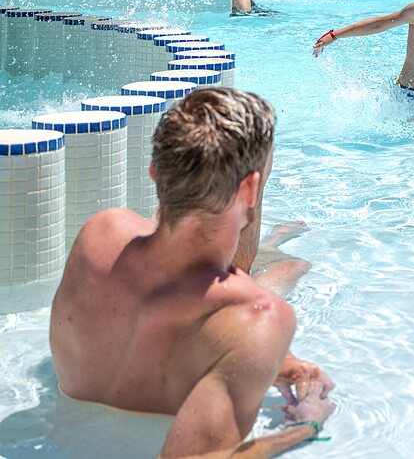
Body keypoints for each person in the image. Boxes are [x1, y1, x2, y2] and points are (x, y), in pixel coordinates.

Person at [50, 88, 337, 458]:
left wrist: (249, 360)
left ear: (154, 173)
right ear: (252, 188)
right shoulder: (259, 317)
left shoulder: (100, 232)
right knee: (294, 268)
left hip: (59, 435)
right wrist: (303, 428)